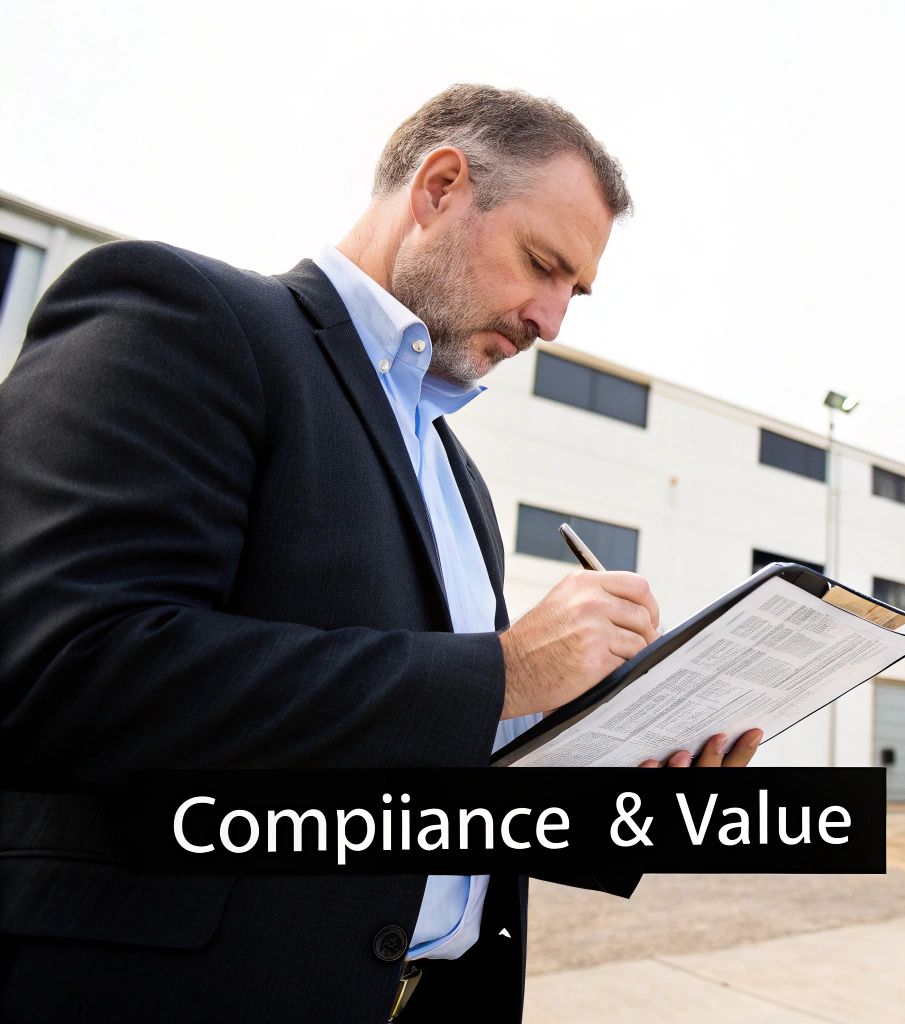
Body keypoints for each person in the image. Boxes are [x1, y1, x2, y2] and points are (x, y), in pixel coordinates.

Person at [0, 84, 760, 1022]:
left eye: (576, 290)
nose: (551, 320)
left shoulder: (458, 475)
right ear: (440, 188)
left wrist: (624, 791)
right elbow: (65, 672)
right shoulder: (187, 317)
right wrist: (502, 673)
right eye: (541, 263)